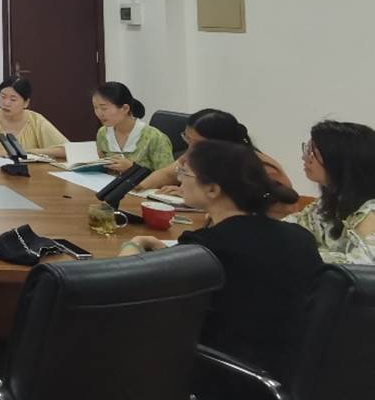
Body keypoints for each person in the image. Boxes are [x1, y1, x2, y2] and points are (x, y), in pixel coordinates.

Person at [120, 141, 319, 395]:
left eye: (185, 173)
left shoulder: (205, 247)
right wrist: (175, 257)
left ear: (213, 189)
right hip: (293, 375)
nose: (180, 180)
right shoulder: (299, 237)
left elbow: (129, 292)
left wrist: (133, 246)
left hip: (228, 376)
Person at [138, 109, 293, 196]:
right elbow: (167, 174)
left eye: (197, 143)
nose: (190, 150)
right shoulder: (199, 153)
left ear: (220, 142)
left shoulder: (262, 168)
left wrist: (194, 195)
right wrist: (136, 188)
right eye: (187, 138)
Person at [285, 120, 375, 264]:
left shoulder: (370, 212)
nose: (304, 157)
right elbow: (289, 230)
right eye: (306, 149)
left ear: (339, 161)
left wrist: (301, 255)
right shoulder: (326, 204)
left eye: (312, 153)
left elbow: (362, 266)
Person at [0, 76, 68, 158]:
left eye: (13, 99)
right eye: (3, 97)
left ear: (26, 103)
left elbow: (67, 150)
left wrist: (23, 152)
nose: (6, 103)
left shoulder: (36, 120)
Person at [91, 82, 173, 173]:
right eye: (95, 108)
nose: (99, 113)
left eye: (104, 108)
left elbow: (168, 177)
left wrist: (133, 168)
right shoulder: (102, 133)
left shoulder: (155, 138)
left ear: (125, 108)